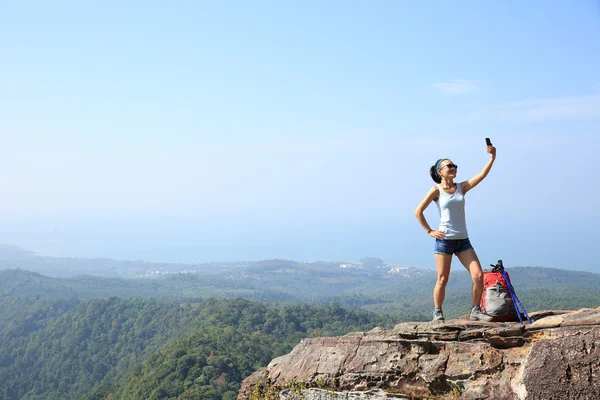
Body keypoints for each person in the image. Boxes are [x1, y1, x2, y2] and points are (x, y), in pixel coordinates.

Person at [414, 143, 496, 322]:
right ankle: (437, 312)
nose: (453, 168)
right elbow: (418, 211)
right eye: (449, 166)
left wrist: (492, 157)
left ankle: (475, 310)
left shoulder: (461, 187)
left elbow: (481, 175)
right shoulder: (436, 191)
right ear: (440, 172)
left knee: (478, 275)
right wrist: (429, 231)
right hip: (445, 240)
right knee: (442, 279)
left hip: (463, 240)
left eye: (454, 166)